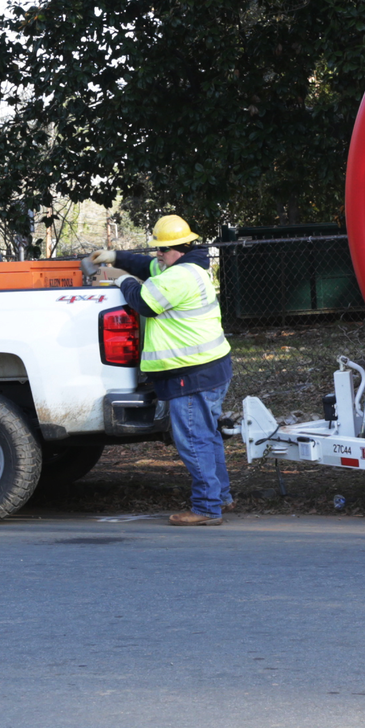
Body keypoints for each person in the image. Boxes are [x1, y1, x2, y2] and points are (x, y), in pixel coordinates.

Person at [89, 215, 233, 526]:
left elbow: (143, 302)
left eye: (161, 250)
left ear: (176, 250)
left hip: (191, 375)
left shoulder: (177, 278)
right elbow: (146, 268)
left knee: (193, 440)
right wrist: (116, 258)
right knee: (207, 437)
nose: (157, 255)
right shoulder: (188, 268)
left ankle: (207, 507)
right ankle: (220, 496)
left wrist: (119, 279)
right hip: (211, 368)